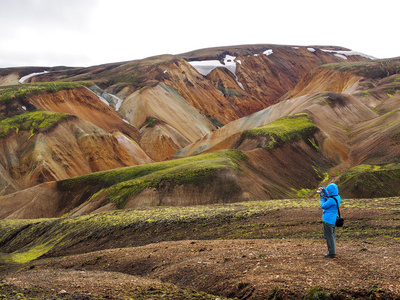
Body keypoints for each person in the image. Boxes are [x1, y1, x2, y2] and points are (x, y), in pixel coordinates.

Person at [318, 183, 341, 258]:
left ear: (331, 191)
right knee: (331, 235)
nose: (328, 192)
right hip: (333, 219)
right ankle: (331, 251)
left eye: (328, 190)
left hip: (328, 220)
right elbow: (329, 196)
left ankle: (331, 253)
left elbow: (323, 206)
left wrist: (322, 198)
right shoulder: (337, 197)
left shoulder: (331, 200)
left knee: (329, 236)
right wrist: (324, 190)